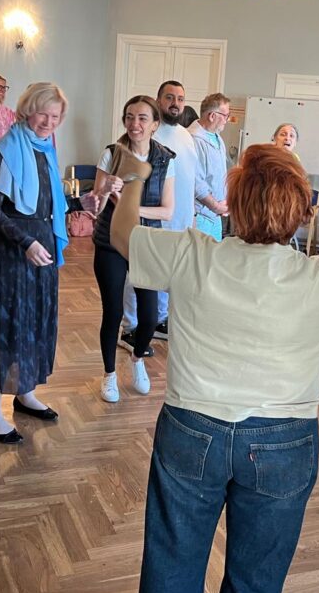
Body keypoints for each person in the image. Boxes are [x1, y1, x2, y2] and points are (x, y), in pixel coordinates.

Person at [102, 143, 319, 593]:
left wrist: (135, 177)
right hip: (284, 440)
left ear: (233, 204)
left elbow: (122, 234)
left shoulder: (192, 253)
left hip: (191, 429)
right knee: (256, 586)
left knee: (171, 568)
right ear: (304, 212)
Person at [0, 83, 69, 443]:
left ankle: (25, 391)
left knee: (35, 324)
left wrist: (84, 203)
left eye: (55, 116)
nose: (48, 121)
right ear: (28, 110)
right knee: (6, 327)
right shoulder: (5, 149)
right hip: (13, 252)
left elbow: (47, 203)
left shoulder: (46, 149)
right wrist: (25, 242)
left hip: (42, 249)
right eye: (43, 113)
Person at [88, 96, 175, 403]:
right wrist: (104, 190)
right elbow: (96, 206)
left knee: (149, 317)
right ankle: (109, 374)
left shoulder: (165, 159)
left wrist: (130, 205)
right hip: (110, 241)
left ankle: (137, 359)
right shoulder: (112, 154)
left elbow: (167, 211)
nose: (134, 124)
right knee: (112, 312)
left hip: (146, 243)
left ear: (154, 124)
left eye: (142, 118)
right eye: (129, 117)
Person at [121, 81, 195, 345]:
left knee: (166, 273)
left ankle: (160, 319)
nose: (176, 103)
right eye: (170, 97)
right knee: (138, 274)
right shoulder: (147, 133)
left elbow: (190, 179)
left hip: (179, 218)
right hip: (148, 219)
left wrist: (191, 215)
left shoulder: (186, 136)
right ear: (158, 100)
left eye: (180, 99)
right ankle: (130, 326)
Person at [188, 93, 231, 241]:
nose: (227, 120)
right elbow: (196, 182)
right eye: (225, 116)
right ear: (212, 116)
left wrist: (225, 201)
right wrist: (216, 206)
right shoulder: (193, 139)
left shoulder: (217, 138)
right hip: (200, 216)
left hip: (215, 216)